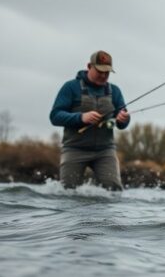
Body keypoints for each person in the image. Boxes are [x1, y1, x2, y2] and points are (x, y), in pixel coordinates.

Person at [49, 50, 131, 190]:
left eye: (107, 72)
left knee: (114, 191)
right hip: (74, 149)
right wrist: (81, 117)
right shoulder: (70, 87)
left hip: (105, 151)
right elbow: (55, 116)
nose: (104, 75)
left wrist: (124, 119)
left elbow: (122, 122)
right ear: (89, 66)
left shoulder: (115, 91)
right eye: (100, 71)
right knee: (67, 192)